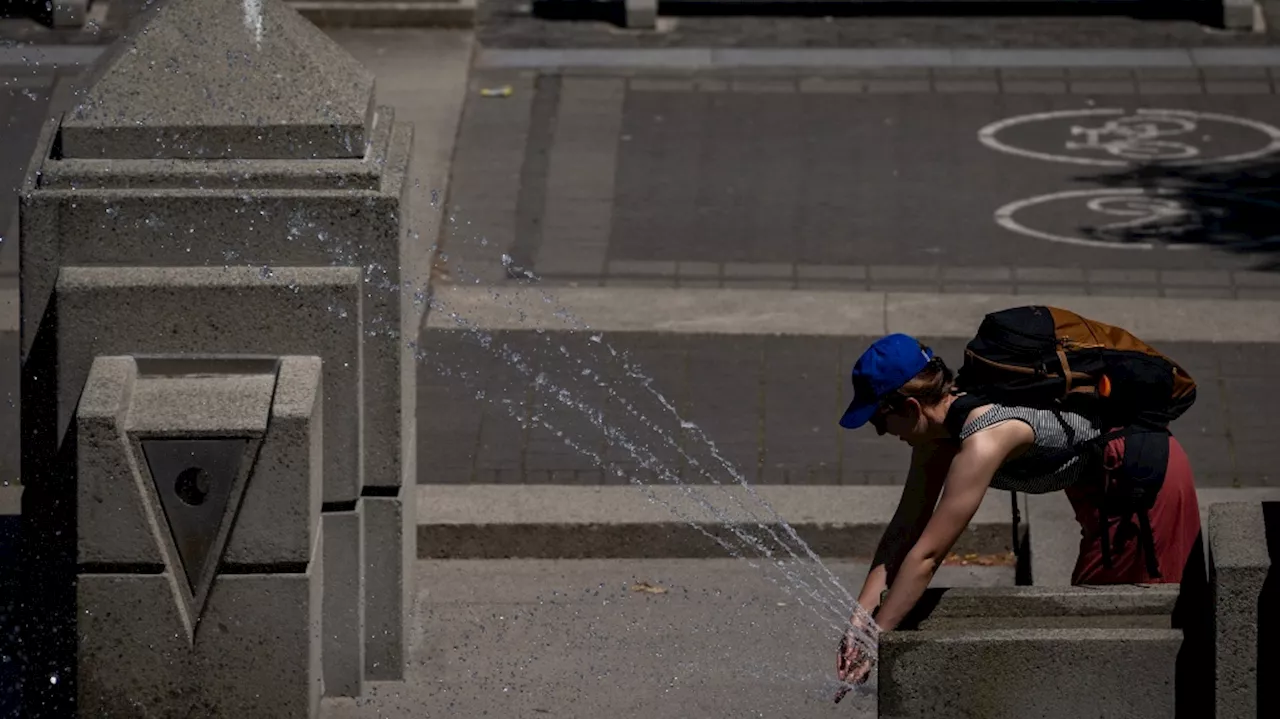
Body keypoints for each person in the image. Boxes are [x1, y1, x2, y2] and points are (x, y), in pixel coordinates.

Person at [832, 332, 1202, 689]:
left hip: (1142, 484)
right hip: (1101, 494)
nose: (880, 433)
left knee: (1126, 631)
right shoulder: (937, 433)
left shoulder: (985, 438)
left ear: (911, 407)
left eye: (878, 420)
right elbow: (905, 528)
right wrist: (861, 618)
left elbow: (928, 555)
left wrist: (877, 639)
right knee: (1097, 628)